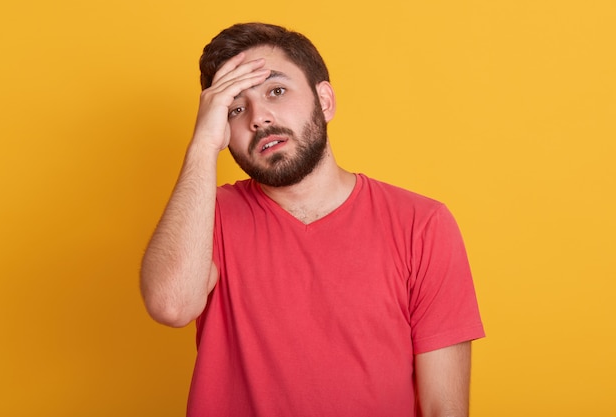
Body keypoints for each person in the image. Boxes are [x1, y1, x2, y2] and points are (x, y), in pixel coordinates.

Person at [140, 22, 485, 417]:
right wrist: (202, 145)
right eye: (235, 108)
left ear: (325, 100)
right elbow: (170, 306)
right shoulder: (206, 219)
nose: (259, 117)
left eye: (276, 91)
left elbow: (445, 407)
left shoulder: (422, 224)